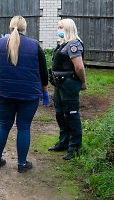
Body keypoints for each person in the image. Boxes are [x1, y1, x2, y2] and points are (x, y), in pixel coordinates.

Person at [0, 16, 49, 173]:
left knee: (4, 126)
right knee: (24, 127)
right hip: (28, 94)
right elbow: (43, 72)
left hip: (4, 92)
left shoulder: (0, 44)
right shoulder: (35, 46)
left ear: (10, 28)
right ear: (25, 28)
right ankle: (22, 164)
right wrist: (45, 92)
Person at [48, 18, 87, 160]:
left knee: (71, 114)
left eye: (61, 27)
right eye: (58, 27)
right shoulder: (62, 45)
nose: (58, 30)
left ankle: (75, 146)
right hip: (59, 84)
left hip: (69, 84)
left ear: (69, 29)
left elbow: (79, 67)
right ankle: (64, 142)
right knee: (60, 114)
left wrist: (83, 82)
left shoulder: (74, 45)